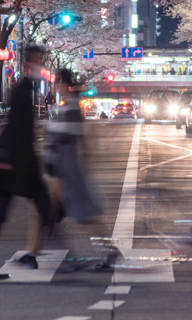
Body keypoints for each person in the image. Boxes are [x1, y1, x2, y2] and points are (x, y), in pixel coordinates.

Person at [0, 45, 52, 281]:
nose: (41, 66)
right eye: (37, 61)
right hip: (15, 164)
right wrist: (7, 158)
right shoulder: (22, 90)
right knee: (32, 208)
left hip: (19, 162)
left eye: (41, 61)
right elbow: (16, 128)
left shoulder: (27, 89)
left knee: (12, 212)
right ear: (27, 65)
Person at [42, 69, 117, 271]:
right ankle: (75, 256)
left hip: (68, 169)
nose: (57, 88)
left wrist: (49, 132)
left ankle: (103, 251)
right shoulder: (69, 105)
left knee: (83, 215)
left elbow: (66, 135)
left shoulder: (72, 106)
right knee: (55, 214)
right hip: (66, 167)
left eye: (58, 84)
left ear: (65, 86)